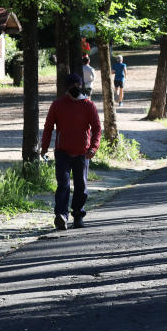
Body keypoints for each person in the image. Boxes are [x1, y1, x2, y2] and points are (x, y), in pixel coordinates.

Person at [41, 72, 102, 230]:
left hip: (83, 153)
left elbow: (96, 128)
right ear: (66, 88)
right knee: (63, 184)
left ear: (81, 86)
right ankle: (61, 215)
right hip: (63, 152)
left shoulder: (89, 105)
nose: (75, 88)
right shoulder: (57, 104)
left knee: (81, 186)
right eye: (72, 86)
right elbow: (48, 128)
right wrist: (44, 148)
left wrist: (93, 147)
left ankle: (78, 215)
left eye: (78, 85)